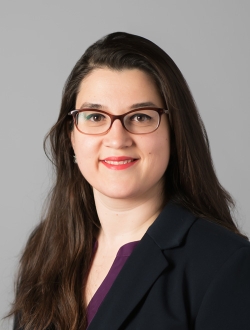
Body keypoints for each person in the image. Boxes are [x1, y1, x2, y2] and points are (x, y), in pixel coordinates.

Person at [11, 32, 250, 330]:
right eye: (95, 117)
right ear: (71, 136)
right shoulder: (45, 250)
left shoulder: (224, 263)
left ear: (174, 134)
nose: (117, 139)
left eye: (140, 117)